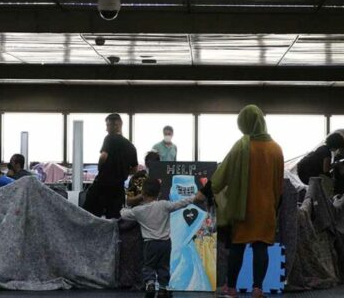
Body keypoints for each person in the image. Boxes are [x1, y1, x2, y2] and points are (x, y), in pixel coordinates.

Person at [211, 105, 284, 298]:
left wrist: (207, 190)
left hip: (243, 207)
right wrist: (274, 205)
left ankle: (231, 288)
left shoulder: (242, 146)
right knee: (261, 247)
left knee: (237, 247)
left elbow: (223, 174)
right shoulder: (276, 149)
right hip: (266, 207)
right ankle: (258, 288)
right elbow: (279, 183)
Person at [120, 177, 207, 298]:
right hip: (166, 243)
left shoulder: (138, 211)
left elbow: (123, 214)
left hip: (149, 244)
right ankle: (163, 286)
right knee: (164, 266)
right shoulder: (164, 205)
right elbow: (180, 204)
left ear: (143, 194)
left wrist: (133, 200)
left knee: (149, 265)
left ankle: (150, 282)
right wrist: (194, 198)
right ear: (159, 193)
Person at [83, 113, 138, 219]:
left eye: (108, 125)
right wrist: (123, 171)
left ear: (116, 125)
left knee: (89, 217)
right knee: (113, 220)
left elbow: (103, 156)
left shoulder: (109, 138)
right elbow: (135, 169)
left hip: (102, 185)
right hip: (118, 188)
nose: (106, 129)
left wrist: (100, 168)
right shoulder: (131, 147)